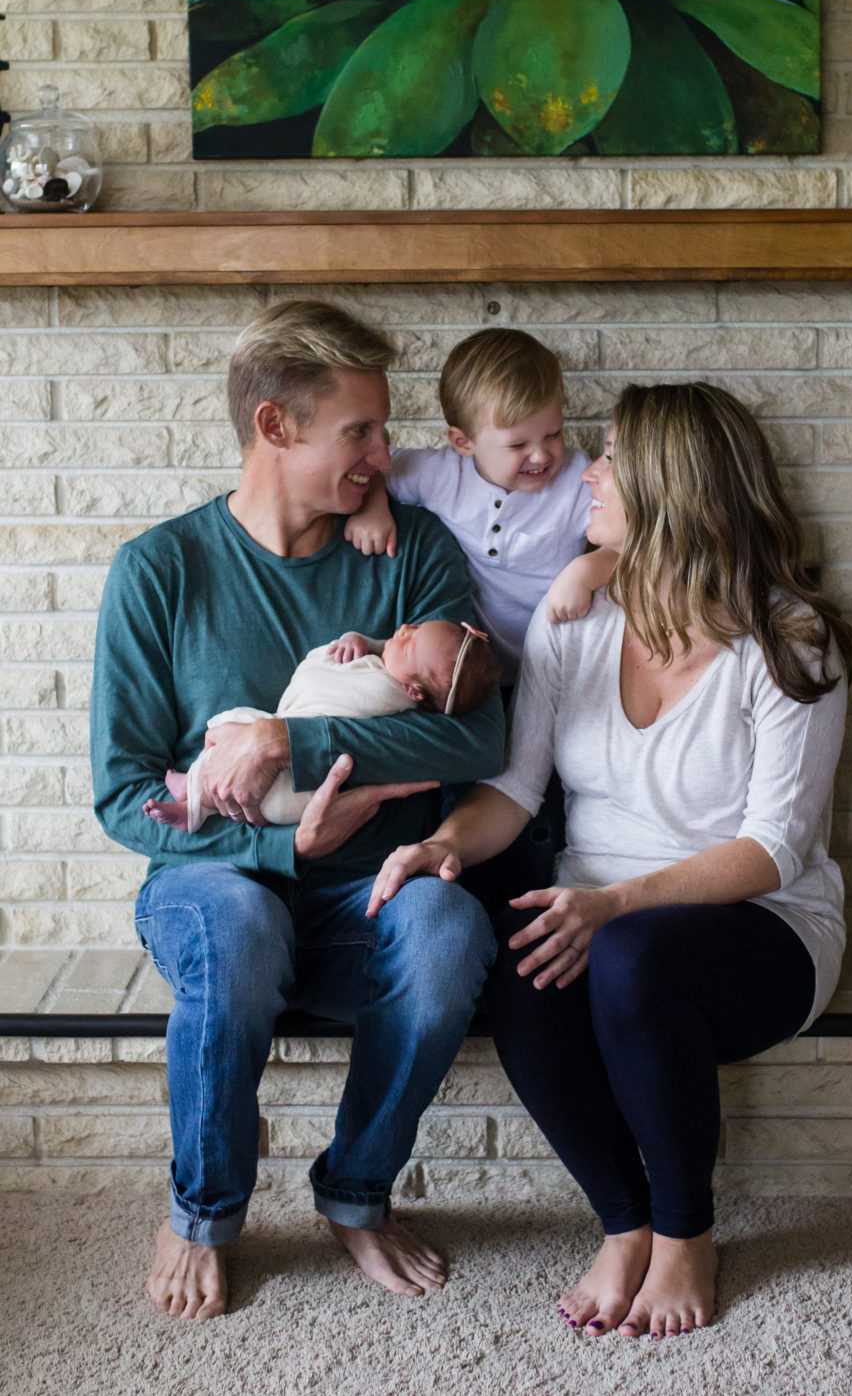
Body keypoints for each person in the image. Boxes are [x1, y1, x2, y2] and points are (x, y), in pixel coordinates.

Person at [370, 382, 852, 1342]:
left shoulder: (791, 638)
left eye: (611, 459)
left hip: (766, 925)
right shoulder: (576, 619)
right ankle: (624, 1223)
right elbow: (514, 792)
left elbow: (773, 847)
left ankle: (686, 1233)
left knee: (627, 952)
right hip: (611, 914)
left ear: (671, 487)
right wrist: (437, 846)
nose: (586, 473)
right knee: (518, 951)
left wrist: (617, 902)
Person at [90, 300, 506, 1321]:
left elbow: (474, 737)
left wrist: (292, 742)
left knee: (450, 930)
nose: (383, 453)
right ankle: (201, 1212)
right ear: (275, 426)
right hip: (214, 884)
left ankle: (357, 1193)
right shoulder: (161, 572)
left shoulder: (411, 551)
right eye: (358, 431)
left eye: (384, 426)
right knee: (234, 929)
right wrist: (278, 839)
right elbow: (125, 791)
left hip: (371, 888)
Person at [345, 325, 615, 684]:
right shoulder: (440, 474)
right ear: (463, 442)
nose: (541, 454)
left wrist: (589, 568)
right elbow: (378, 467)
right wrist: (372, 508)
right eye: (518, 445)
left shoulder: (575, 479)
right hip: (469, 668)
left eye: (554, 434)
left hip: (562, 662)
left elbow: (636, 538)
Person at [142, 620, 500, 832]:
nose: (404, 628)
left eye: (408, 643)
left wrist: (281, 737)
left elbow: (324, 680)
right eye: (414, 627)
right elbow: (374, 657)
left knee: (241, 725)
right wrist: (366, 643)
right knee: (244, 729)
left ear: (412, 692)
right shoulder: (393, 673)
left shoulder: (385, 693)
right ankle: (192, 797)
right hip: (288, 791)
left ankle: (193, 805)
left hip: (299, 795)